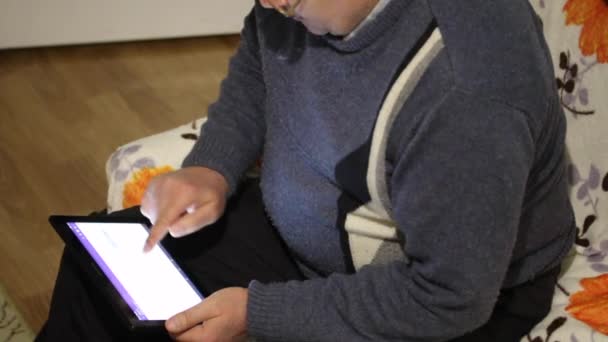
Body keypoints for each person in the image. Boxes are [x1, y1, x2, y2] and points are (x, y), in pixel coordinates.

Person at [37, 0, 576, 341]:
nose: (270, 1)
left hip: (440, 297)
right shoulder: (295, 3)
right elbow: (262, 60)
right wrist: (213, 168)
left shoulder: (468, 92)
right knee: (97, 273)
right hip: (313, 237)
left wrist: (262, 314)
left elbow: (448, 297)